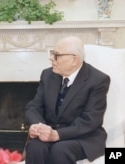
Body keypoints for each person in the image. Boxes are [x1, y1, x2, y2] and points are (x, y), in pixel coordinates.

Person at [24, 36, 110, 164]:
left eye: (56, 55)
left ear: (74, 60)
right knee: (36, 146)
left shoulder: (98, 80)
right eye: (52, 53)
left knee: (60, 150)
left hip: (83, 137)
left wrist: (57, 135)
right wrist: (38, 126)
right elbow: (34, 107)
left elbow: (90, 121)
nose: (51, 58)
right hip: (51, 131)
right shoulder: (48, 75)